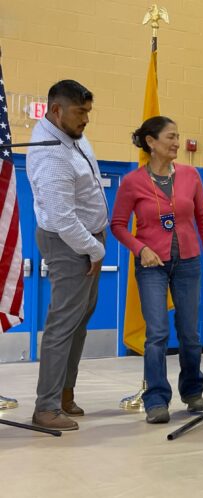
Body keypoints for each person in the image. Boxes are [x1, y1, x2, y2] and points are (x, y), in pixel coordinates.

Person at [111, 116, 203, 424]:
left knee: (190, 333)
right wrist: (139, 248)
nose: (176, 143)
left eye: (178, 137)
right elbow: (117, 225)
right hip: (151, 266)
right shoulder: (132, 182)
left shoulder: (191, 175)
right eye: (170, 137)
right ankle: (156, 398)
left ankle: (193, 390)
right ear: (151, 142)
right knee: (156, 333)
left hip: (188, 263)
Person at [28, 80, 108, 431]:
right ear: (56, 110)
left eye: (88, 112)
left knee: (78, 321)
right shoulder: (51, 155)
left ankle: (64, 393)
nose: (86, 120)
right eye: (80, 112)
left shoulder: (71, 135)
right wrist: (94, 249)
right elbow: (61, 218)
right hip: (70, 243)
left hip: (87, 241)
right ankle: (45, 407)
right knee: (62, 324)